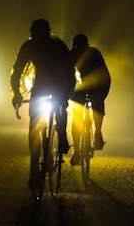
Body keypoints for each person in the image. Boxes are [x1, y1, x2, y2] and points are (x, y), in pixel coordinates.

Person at [10, 19, 75, 191]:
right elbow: (16, 72)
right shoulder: (29, 46)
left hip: (60, 83)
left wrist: (65, 95)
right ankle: (34, 165)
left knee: (61, 106)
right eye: (35, 36)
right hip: (41, 86)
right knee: (34, 126)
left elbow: (70, 72)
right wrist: (16, 92)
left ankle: (61, 136)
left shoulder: (58, 45)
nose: (37, 39)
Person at [69, 34, 111, 165]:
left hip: (99, 85)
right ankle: (81, 147)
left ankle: (97, 133)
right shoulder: (76, 54)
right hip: (85, 86)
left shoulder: (91, 54)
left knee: (94, 107)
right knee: (78, 116)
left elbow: (105, 77)